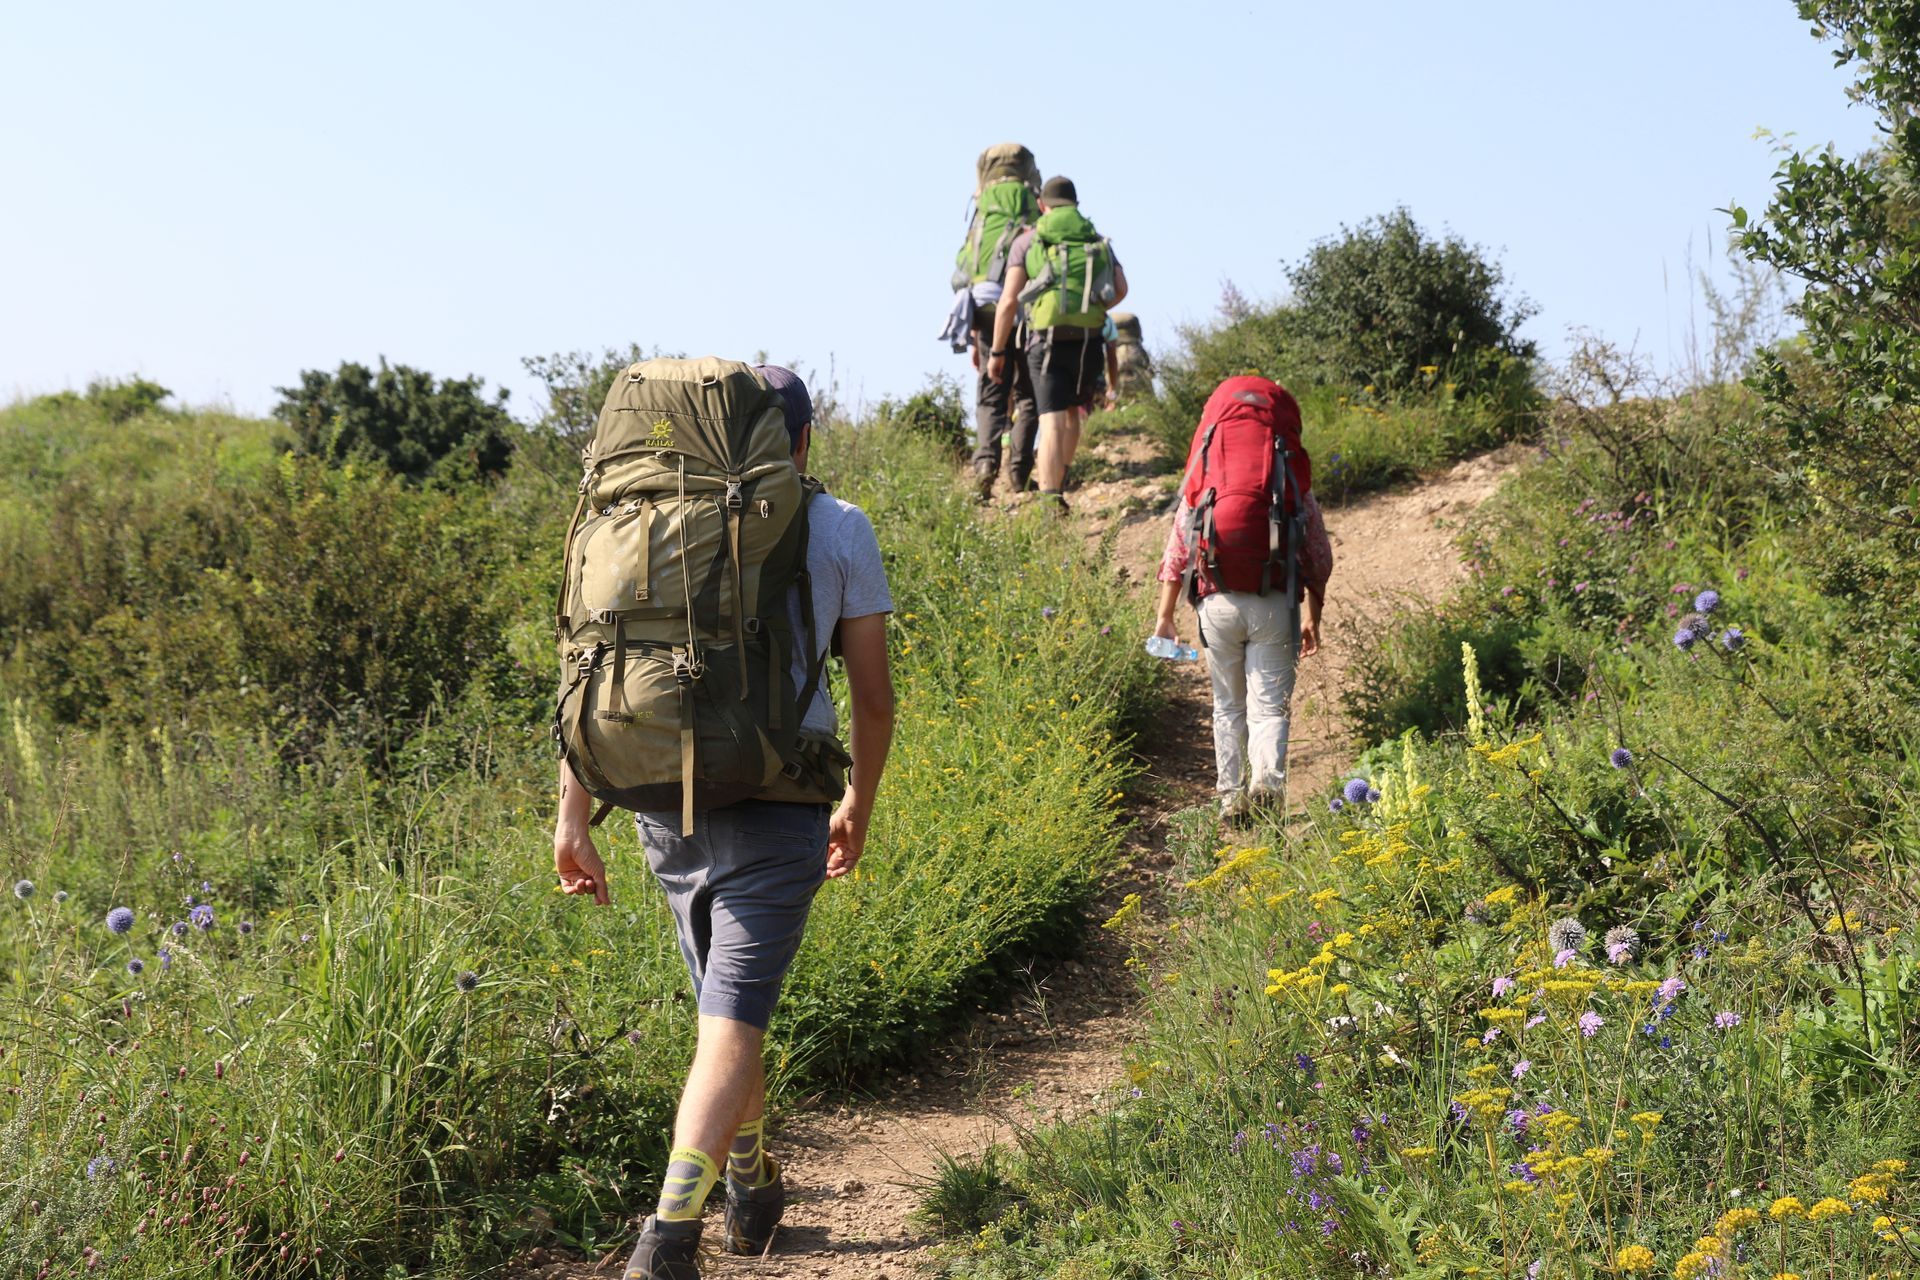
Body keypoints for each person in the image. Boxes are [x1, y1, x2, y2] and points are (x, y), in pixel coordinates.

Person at [553, 366, 896, 1280]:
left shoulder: (649, 519)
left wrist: (572, 814)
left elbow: (594, 663)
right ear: (799, 439)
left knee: (724, 1010)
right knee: (731, 1022)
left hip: (662, 798)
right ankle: (668, 1235)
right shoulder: (838, 524)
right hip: (780, 806)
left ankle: (749, 1181)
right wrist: (858, 801)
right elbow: (872, 695)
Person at [1150, 376, 1332, 821]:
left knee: (1228, 706)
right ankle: (1266, 783)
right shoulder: (1288, 474)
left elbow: (1177, 551)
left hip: (1216, 602)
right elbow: (1317, 556)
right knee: (1269, 708)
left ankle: (1232, 799)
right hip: (1274, 601)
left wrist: (1165, 616)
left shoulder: (1206, 472)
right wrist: (1314, 615)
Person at [988, 175, 1128, 510]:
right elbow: (1121, 288)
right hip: (1088, 340)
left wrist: (997, 351)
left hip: (1046, 340)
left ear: (1042, 205)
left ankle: (1051, 499)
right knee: (1072, 413)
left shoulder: (1029, 240)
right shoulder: (1095, 239)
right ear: (1076, 204)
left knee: (1049, 418)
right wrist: (1092, 308)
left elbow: (1008, 302)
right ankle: (1061, 475)